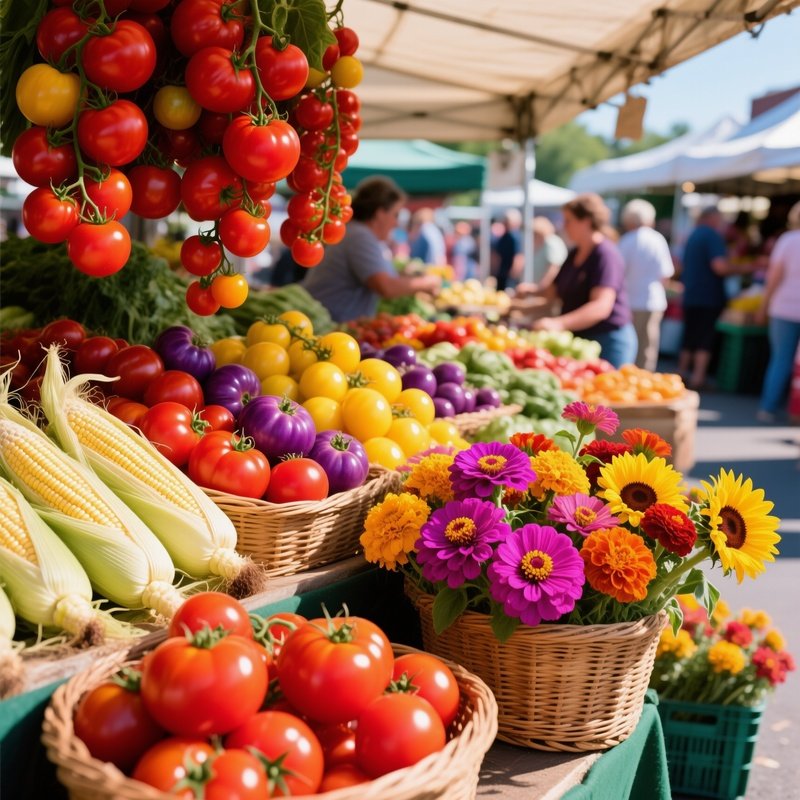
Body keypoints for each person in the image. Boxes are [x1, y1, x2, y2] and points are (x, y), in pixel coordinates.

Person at [517, 193, 637, 368]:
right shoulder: (574, 254)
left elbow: (601, 307)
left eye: (568, 220)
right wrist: (529, 294)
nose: (564, 226)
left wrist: (558, 323)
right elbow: (554, 292)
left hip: (608, 341)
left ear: (586, 221)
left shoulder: (605, 255)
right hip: (581, 339)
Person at [303, 177, 441, 323]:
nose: (396, 223)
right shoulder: (360, 236)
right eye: (395, 214)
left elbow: (376, 275)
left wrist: (404, 275)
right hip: (330, 326)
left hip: (332, 323)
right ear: (380, 213)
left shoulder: (357, 232)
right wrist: (427, 283)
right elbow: (386, 287)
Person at [678, 206, 758, 390]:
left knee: (689, 336)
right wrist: (750, 267)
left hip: (691, 294)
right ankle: (698, 378)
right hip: (707, 296)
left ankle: (681, 374)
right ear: (712, 218)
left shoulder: (693, 234)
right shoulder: (711, 236)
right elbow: (720, 267)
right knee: (704, 338)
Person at [618, 199, 675, 371]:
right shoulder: (657, 239)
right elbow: (665, 273)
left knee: (629, 346)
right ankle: (644, 380)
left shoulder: (626, 241)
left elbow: (618, 273)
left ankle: (627, 378)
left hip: (629, 299)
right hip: (651, 300)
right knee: (647, 347)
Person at [756, 200, 800, 422]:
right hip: (785, 308)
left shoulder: (788, 240)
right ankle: (795, 410)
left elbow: (774, 277)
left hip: (783, 308)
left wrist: (764, 306)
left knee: (780, 359)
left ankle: (768, 407)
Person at [532, 216, 568, 287]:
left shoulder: (551, 242)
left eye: (534, 234)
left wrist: (541, 287)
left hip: (545, 289)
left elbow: (554, 267)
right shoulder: (541, 244)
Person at [493, 208, 523, 292]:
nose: (505, 223)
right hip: (502, 273)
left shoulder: (515, 237)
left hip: (509, 274)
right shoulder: (504, 236)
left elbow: (518, 257)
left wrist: (513, 274)